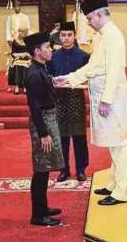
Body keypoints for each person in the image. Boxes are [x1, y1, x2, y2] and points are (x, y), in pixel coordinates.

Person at [54, 0, 127, 206]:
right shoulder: (102, 36)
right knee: (112, 143)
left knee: (119, 144)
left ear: (99, 15)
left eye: (90, 18)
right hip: (105, 97)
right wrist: (69, 79)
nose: (88, 23)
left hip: (114, 99)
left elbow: (115, 69)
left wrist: (106, 100)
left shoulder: (113, 35)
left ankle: (122, 191)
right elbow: (94, 67)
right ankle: (114, 183)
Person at [24, 31, 64, 227]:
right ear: (37, 51)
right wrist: (44, 134)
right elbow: (35, 107)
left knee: (46, 167)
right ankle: (38, 215)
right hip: (43, 123)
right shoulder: (33, 74)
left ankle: (42, 207)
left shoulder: (41, 69)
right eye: (47, 47)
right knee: (41, 169)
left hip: (48, 120)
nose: (51, 50)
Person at [47, 21, 90, 182]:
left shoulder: (83, 56)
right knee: (62, 138)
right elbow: (49, 76)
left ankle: (81, 169)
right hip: (59, 101)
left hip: (76, 100)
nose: (66, 38)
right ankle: (63, 170)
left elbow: (88, 76)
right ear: (59, 37)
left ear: (74, 36)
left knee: (79, 137)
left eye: (69, 35)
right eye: (63, 35)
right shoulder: (53, 56)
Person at [7, 28, 31, 95]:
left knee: (25, 66)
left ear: (26, 33)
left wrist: (26, 54)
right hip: (17, 59)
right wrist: (20, 55)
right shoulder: (15, 41)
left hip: (27, 59)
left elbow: (32, 52)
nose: (20, 33)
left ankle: (25, 86)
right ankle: (17, 86)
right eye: (19, 31)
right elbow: (13, 53)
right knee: (17, 66)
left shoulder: (29, 41)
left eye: (22, 31)